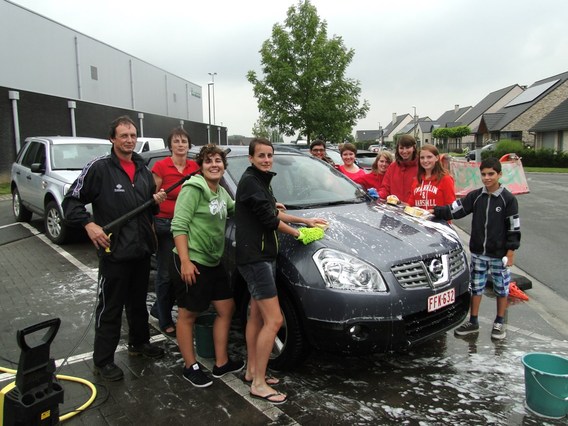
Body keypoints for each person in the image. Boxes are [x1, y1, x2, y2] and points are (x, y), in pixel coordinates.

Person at [63, 115, 166, 382]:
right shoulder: (99, 168)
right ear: (113, 139)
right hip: (115, 252)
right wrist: (89, 225)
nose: (129, 140)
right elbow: (71, 201)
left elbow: (144, 209)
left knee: (137, 304)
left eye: (132, 135)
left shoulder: (142, 169)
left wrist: (154, 202)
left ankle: (139, 345)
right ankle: (102, 361)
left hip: (141, 250)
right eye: (124, 136)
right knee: (110, 308)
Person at [236, 138, 327, 405]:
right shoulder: (251, 182)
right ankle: (260, 384)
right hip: (256, 259)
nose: (266, 159)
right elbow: (270, 220)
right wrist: (299, 233)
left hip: (262, 256)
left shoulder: (260, 180)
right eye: (261, 155)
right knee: (274, 320)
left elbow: (273, 211)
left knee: (255, 316)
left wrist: (305, 219)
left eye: (269, 155)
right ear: (251, 158)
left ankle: (252, 371)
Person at [170, 144, 244, 388]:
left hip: (214, 261)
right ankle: (189, 366)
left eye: (218, 161)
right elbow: (179, 226)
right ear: (201, 166)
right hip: (193, 261)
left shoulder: (221, 193)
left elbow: (238, 209)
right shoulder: (193, 188)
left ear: (224, 166)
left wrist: (268, 207)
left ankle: (221, 363)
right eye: (209, 161)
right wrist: (185, 261)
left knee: (226, 308)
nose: (214, 165)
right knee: (188, 314)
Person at [430, 157, 521, 340]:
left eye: (491, 174)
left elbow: (514, 227)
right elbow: (456, 209)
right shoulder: (475, 195)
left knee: (501, 289)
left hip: (499, 255)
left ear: (499, 174)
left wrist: (511, 251)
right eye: (484, 174)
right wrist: (434, 211)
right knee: (476, 288)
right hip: (478, 253)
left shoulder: (508, 199)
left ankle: (499, 321)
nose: (487, 178)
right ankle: (473, 321)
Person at [150, 127, 199, 337]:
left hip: (189, 225)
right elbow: (151, 198)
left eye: (184, 141)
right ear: (170, 145)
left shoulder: (194, 166)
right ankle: (164, 318)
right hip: (165, 225)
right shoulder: (161, 167)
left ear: (189, 145)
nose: (181, 145)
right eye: (177, 141)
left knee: (181, 272)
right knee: (165, 273)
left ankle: (159, 308)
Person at [407, 144, 455, 209]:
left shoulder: (446, 179)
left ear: (437, 158)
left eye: (429, 157)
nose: (425, 161)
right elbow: (411, 204)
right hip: (419, 218)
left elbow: (451, 206)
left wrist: (435, 212)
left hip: (439, 219)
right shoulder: (417, 180)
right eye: (422, 158)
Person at [378, 134, 418, 201]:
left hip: (415, 209)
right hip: (396, 209)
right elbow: (385, 188)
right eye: (401, 148)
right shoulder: (392, 167)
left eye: (408, 147)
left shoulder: (421, 167)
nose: (404, 151)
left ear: (414, 148)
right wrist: (378, 195)